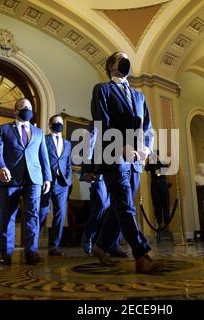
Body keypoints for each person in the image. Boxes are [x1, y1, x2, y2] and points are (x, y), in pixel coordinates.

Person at [90, 51, 158, 274]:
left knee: (120, 205)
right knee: (124, 204)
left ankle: (99, 246)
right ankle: (141, 253)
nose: (125, 60)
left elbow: (147, 127)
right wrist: (121, 146)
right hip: (114, 154)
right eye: (120, 57)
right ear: (111, 65)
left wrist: (146, 147)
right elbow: (102, 122)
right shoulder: (103, 89)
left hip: (136, 159)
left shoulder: (139, 96)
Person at [0, 98, 51, 265]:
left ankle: (31, 253)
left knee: (32, 215)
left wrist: (47, 177)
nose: (27, 109)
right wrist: (1, 167)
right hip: (10, 178)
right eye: (23, 107)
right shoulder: (3, 129)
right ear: (15, 111)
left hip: (34, 179)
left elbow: (43, 156)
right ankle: (6, 254)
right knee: (8, 216)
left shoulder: (38, 133)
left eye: (30, 107)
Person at [79, 125, 128, 257]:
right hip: (98, 175)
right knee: (101, 206)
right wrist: (85, 173)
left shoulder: (116, 125)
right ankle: (88, 236)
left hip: (115, 172)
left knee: (116, 207)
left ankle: (113, 244)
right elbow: (86, 152)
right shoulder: (92, 128)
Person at [39, 114, 72, 256]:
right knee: (42, 212)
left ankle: (54, 246)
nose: (58, 124)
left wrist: (68, 179)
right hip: (46, 182)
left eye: (60, 122)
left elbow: (68, 163)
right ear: (50, 125)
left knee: (60, 214)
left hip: (62, 184)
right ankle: (32, 243)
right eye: (55, 122)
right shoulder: (43, 140)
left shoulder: (68, 143)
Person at [145, 150, 171, 229]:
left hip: (163, 184)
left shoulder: (162, 161)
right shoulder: (152, 162)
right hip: (154, 184)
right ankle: (159, 223)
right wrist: (151, 160)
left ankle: (167, 224)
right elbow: (146, 168)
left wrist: (159, 161)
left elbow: (165, 170)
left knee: (165, 204)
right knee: (157, 205)